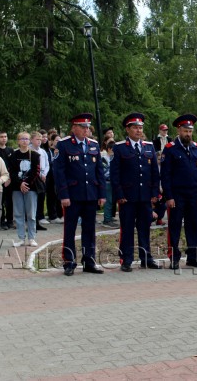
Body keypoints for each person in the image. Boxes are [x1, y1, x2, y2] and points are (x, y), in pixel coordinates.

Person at [54, 113, 106, 276]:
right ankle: (69, 261)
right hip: (72, 195)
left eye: (87, 127)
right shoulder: (64, 145)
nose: (86, 130)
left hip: (90, 194)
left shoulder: (93, 145)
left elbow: (99, 171)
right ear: (74, 128)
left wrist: (101, 193)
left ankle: (89, 260)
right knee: (70, 229)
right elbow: (59, 172)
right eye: (82, 127)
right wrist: (63, 195)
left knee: (90, 229)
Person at [111, 112, 161, 272]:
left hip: (145, 197)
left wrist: (154, 193)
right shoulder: (119, 148)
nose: (138, 131)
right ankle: (126, 259)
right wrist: (119, 195)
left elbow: (154, 172)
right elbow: (115, 174)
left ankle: (146, 258)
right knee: (127, 229)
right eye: (135, 128)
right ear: (128, 129)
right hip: (127, 197)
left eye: (140, 128)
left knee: (144, 228)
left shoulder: (149, 147)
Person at [160, 114, 197, 269]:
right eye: (185, 130)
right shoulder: (170, 149)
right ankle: (174, 257)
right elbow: (165, 175)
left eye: (190, 131)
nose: (188, 134)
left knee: (193, 226)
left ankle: (193, 257)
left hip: (194, 195)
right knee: (174, 226)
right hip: (177, 195)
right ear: (179, 130)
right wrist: (168, 196)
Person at [8, 132, 40, 248]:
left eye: (27, 139)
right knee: (18, 213)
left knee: (31, 214)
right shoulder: (13, 155)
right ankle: (21, 238)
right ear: (18, 141)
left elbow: (36, 172)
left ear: (30, 141)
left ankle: (32, 237)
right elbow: (11, 171)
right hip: (17, 188)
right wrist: (20, 183)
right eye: (22, 139)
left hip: (30, 188)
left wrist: (25, 184)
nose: (25, 141)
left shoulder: (35, 155)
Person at [0, 131, 14, 230]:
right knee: (0, 201)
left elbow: (13, 166)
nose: (4, 138)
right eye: (1, 136)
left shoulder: (10, 150)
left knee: (9, 201)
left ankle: (10, 220)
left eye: (5, 136)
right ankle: (1, 221)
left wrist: (9, 178)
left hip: (9, 180)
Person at [30, 131, 49, 231]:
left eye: (40, 140)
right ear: (32, 140)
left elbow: (47, 164)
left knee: (41, 199)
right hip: (34, 177)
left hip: (42, 177)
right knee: (32, 200)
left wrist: (44, 174)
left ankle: (38, 220)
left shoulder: (43, 151)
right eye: (37, 139)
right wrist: (39, 174)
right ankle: (31, 223)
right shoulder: (29, 151)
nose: (39, 142)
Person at [101, 140, 118, 228]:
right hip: (107, 182)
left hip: (112, 182)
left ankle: (110, 217)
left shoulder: (112, 158)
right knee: (108, 201)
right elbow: (104, 172)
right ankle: (106, 220)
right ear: (109, 149)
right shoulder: (104, 159)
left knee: (112, 201)